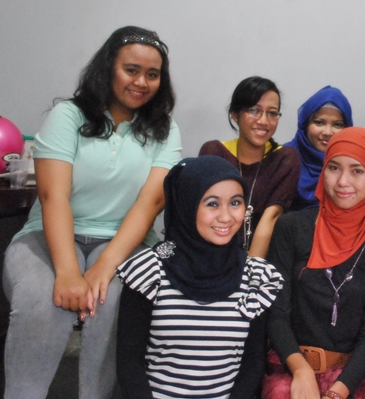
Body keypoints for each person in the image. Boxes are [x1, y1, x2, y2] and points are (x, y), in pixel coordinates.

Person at [2, 26, 182, 398]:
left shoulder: (165, 130)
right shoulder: (68, 115)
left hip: (125, 243)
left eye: (152, 74)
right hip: (48, 235)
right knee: (40, 298)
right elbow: (53, 196)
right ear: (108, 68)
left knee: (113, 300)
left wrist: (105, 266)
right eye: (131, 70)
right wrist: (68, 271)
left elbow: (149, 204)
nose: (141, 82)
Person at [116, 156, 284, 399]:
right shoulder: (149, 271)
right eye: (212, 204)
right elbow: (130, 364)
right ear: (187, 204)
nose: (226, 217)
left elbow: (252, 363)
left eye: (235, 203)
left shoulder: (255, 277)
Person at [263, 127, 365, 399]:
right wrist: (301, 371)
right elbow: (276, 313)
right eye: (334, 167)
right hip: (292, 367)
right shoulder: (292, 228)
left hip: (356, 376)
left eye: (357, 170)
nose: (342, 181)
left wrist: (338, 392)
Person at [199, 76, 300, 258]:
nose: (264, 121)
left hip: (263, 260)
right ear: (235, 114)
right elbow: (206, 215)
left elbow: (272, 216)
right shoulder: (214, 152)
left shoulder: (285, 158)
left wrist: (250, 269)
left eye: (272, 113)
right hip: (214, 255)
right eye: (254, 110)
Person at [284, 85, 354, 211]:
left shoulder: (355, 163)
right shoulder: (284, 158)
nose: (327, 132)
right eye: (319, 122)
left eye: (337, 125)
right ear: (305, 124)